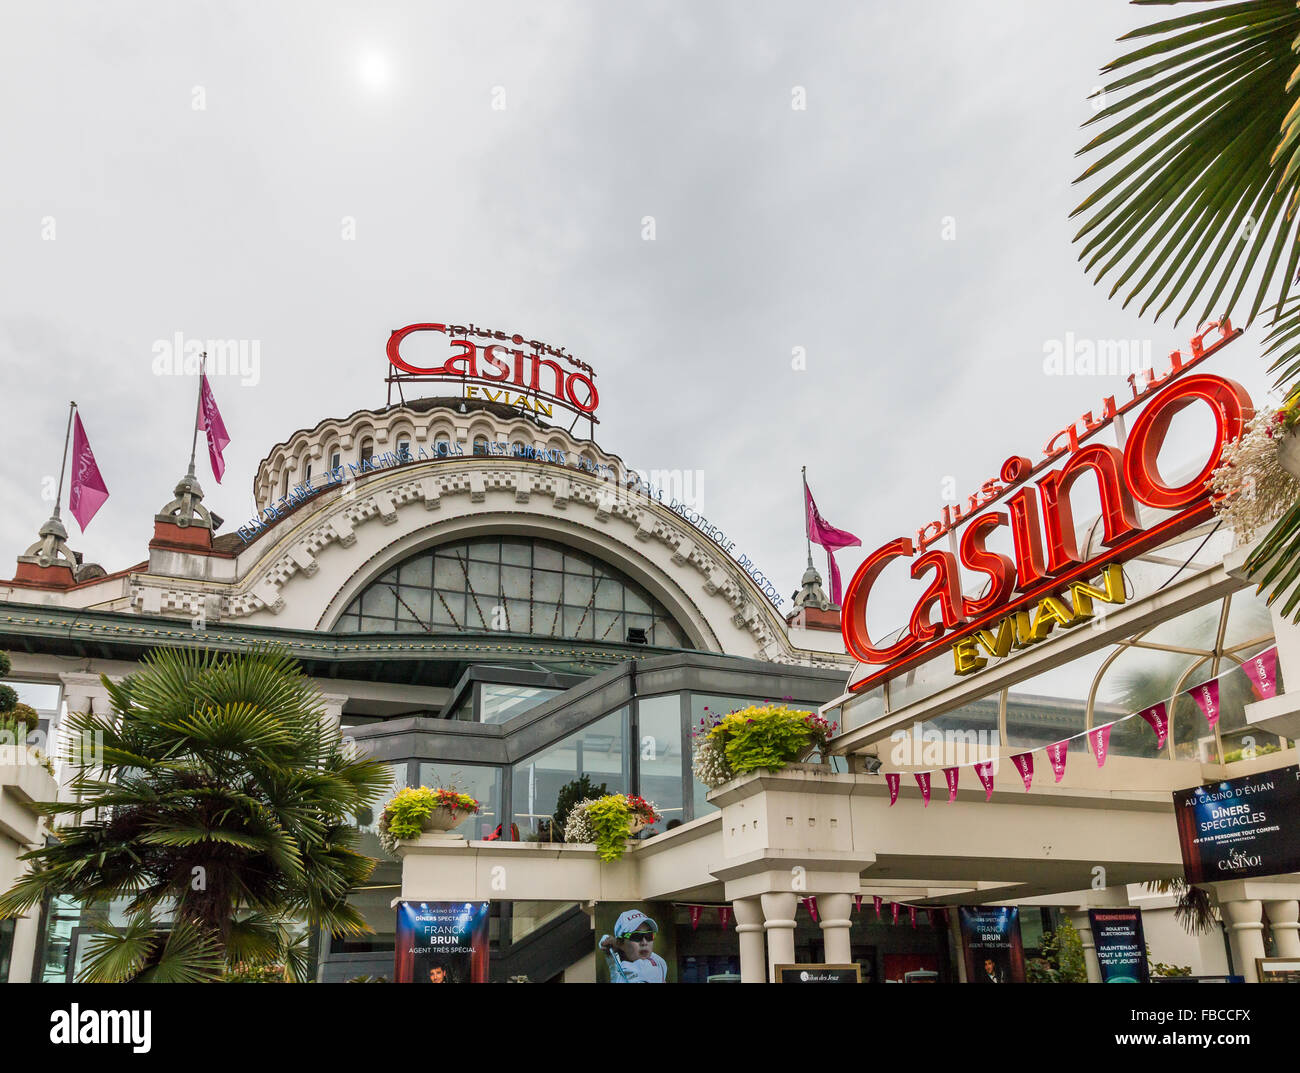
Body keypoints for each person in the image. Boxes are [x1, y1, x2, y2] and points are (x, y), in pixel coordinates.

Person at [599, 909, 668, 983]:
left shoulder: (658, 964)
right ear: (620, 943)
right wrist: (611, 955)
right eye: (636, 936)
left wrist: (611, 951)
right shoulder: (660, 961)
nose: (644, 942)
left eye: (649, 935)